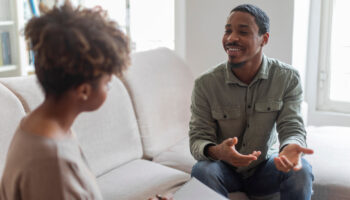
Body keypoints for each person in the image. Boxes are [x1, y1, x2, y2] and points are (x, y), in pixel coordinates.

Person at [0, 1, 130, 199]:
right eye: (107, 82)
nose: (109, 88)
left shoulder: (39, 126)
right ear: (84, 91)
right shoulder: (53, 163)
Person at [189, 4, 314, 200]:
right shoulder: (205, 84)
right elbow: (198, 139)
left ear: (264, 39)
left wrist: (290, 146)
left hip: (265, 167)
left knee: (301, 170)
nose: (231, 38)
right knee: (202, 170)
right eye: (228, 30)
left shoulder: (287, 78)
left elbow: (292, 127)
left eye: (243, 32)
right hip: (224, 169)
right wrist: (217, 151)